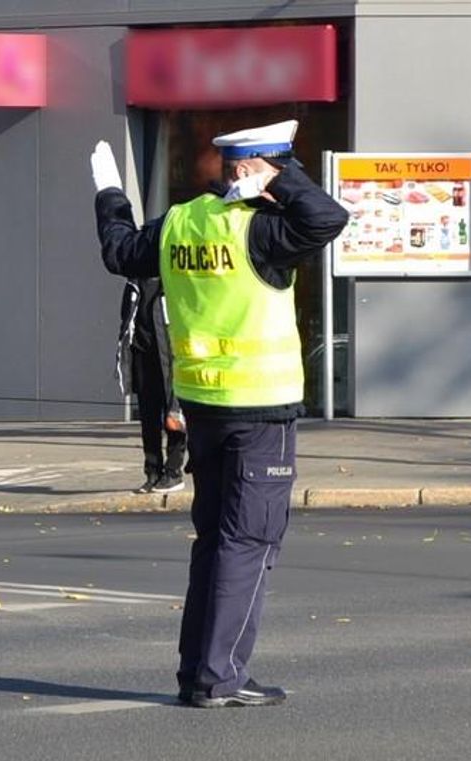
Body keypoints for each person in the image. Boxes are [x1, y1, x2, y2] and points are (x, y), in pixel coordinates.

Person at [92, 120, 348, 708]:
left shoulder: (183, 221)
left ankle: (200, 671)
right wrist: (278, 185)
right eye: (280, 165)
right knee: (250, 542)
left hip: (203, 405)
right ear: (253, 169)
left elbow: (120, 250)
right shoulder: (261, 229)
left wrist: (109, 196)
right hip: (259, 410)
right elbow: (328, 216)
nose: (287, 177)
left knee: (215, 540)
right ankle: (219, 677)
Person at [116, 276, 188, 494]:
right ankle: (152, 472)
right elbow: (126, 320)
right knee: (148, 418)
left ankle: (173, 472)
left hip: (169, 356)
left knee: (174, 415)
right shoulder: (135, 283)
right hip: (144, 355)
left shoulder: (172, 282)